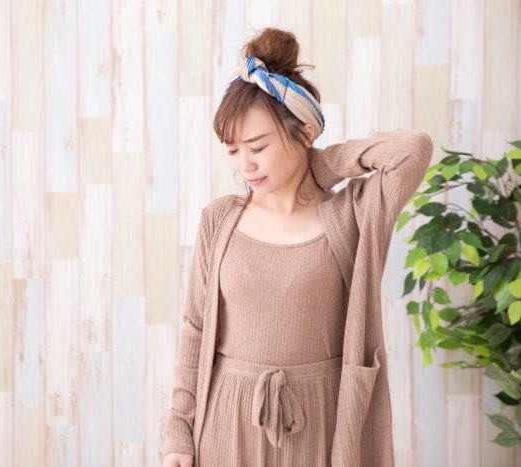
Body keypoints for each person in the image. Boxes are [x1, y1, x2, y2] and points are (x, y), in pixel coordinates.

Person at [162, 27, 433, 467]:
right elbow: (195, 329)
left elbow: (412, 150)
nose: (245, 166)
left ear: (304, 134)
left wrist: (320, 165)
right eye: (233, 151)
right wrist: (179, 432)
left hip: (320, 420)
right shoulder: (220, 219)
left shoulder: (352, 215)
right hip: (227, 419)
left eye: (258, 147)